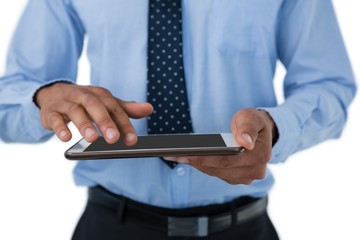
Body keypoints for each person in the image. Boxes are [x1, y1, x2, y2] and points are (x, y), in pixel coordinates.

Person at [0, 0, 356, 239]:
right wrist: (43, 98)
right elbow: (10, 101)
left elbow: (327, 84)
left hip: (243, 228)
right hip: (110, 226)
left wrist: (276, 129)